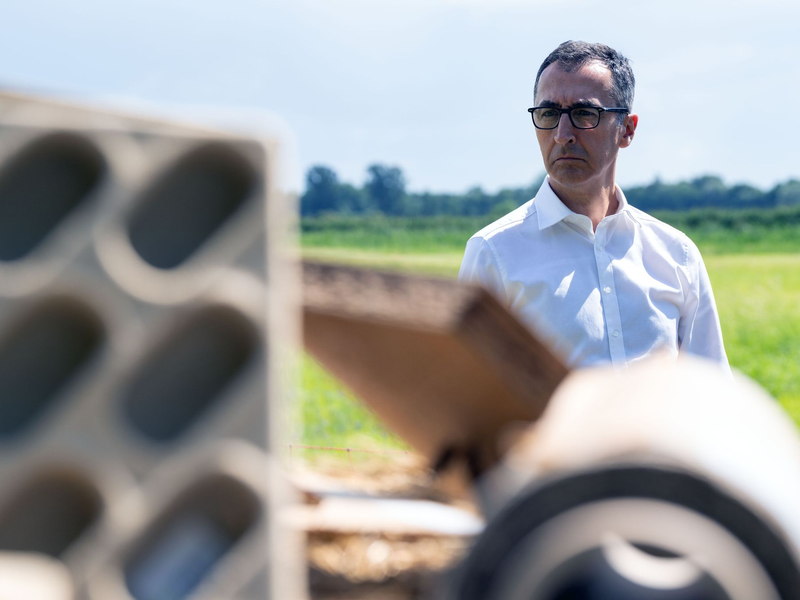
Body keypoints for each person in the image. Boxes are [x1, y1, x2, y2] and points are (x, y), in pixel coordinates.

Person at [459, 41, 729, 371]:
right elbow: (468, 396)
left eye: (584, 114)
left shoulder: (676, 255)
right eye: (548, 114)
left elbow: (712, 393)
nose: (562, 134)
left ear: (627, 129)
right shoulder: (494, 253)